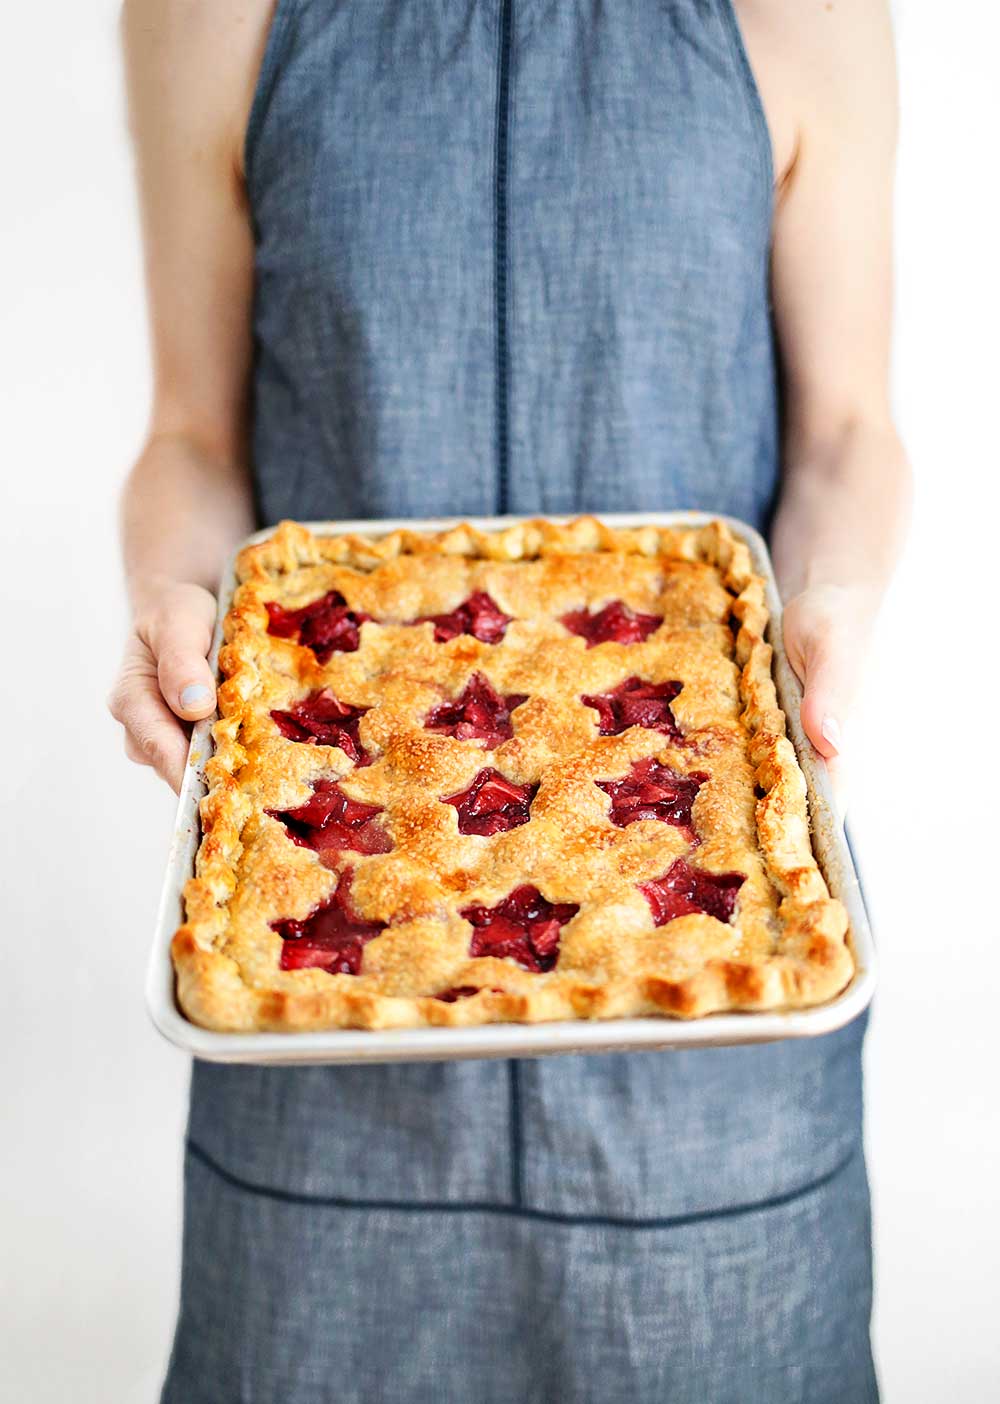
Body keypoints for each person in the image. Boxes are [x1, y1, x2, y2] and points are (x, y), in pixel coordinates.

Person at [109, 1, 909, 1400]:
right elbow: (191, 436)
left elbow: (849, 430)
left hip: (716, 1090)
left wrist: (824, 604)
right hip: (321, 1101)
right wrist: (183, 609)